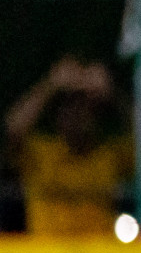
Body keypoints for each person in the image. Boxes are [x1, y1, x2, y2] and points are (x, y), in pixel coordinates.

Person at [4, 56, 132, 237]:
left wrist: (113, 93)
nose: (76, 116)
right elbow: (12, 130)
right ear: (58, 117)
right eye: (69, 108)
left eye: (84, 108)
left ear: (95, 116)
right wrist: (51, 84)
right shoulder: (41, 152)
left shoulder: (109, 155)